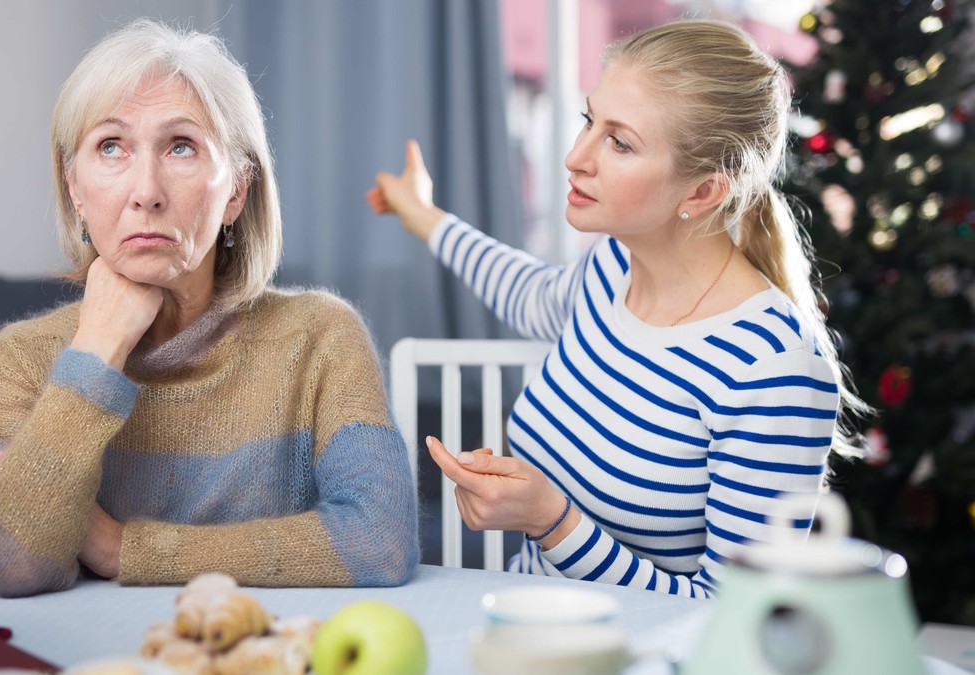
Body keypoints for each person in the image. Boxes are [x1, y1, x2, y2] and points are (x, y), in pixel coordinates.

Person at [368, 19, 867, 598]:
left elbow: (731, 613)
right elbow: (527, 292)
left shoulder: (773, 369)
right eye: (589, 120)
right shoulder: (612, 267)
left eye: (620, 142)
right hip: (525, 630)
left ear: (704, 192)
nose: (575, 157)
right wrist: (423, 214)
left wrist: (551, 522)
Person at [0, 19, 418, 597]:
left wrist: (127, 548)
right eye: (111, 147)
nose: (145, 191)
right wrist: (97, 350)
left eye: (181, 147)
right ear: (75, 189)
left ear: (236, 192)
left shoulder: (322, 338)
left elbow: (381, 540)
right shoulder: (22, 359)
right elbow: (11, 563)